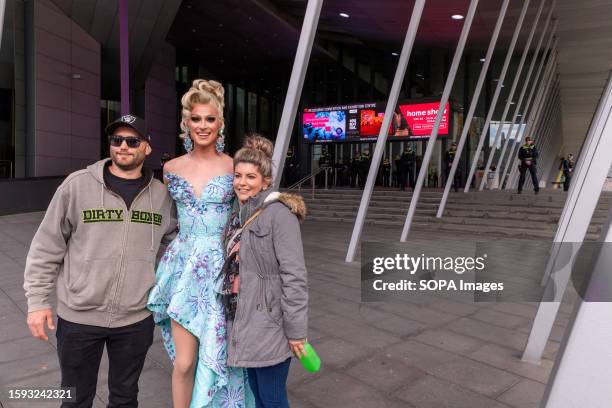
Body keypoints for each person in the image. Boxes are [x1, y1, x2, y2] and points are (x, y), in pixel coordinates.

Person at [23, 114, 177, 408]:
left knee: (124, 398)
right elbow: (46, 246)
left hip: (135, 317)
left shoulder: (161, 196)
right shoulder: (77, 186)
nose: (123, 147)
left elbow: (172, 243)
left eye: (132, 141)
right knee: (75, 399)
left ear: (147, 147)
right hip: (80, 316)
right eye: (116, 140)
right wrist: (37, 302)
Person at [147, 79, 253, 407]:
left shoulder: (235, 167)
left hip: (223, 270)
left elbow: (249, 215)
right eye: (196, 118)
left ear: (220, 123)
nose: (203, 125)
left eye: (210, 119)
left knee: (224, 359)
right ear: (186, 123)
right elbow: (163, 220)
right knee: (184, 362)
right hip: (183, 270)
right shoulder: (170, 169)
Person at [221, 135, 308, 408]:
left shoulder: (279, 215)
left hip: (270, 324)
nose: (242, 182)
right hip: (244, 320)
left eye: (250, 177)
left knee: (271, 399)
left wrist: (296, 331)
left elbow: (294, 277)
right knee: (258, 397)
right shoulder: (240, 214)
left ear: (266, 181)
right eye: (237, 175)